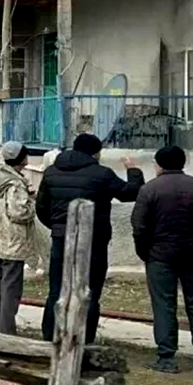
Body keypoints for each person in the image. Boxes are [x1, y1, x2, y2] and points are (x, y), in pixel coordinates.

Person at [35, 132, 144, 345]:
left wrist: (57, 227)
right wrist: (132, 170)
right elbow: (130, 193)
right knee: (90, 290)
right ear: (96, 153)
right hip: (94, 240)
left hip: (60, 238)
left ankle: (50, 336)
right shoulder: (102, 174)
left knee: (57, 288)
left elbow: (41, 207)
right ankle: (84, 339)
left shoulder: (51, 172)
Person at [131, 145, 193, 373]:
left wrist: (145, 252)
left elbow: (139, 226)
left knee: (164, 304)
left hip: (160, 255)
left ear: (158, 165)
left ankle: (166, 356)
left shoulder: (149, 190)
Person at [0, 141, 38, 335]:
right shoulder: (15, 184)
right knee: (10, 291)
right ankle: (6, 332)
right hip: (13, 242)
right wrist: (32, 202)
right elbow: (19, 213)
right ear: (21, 158)